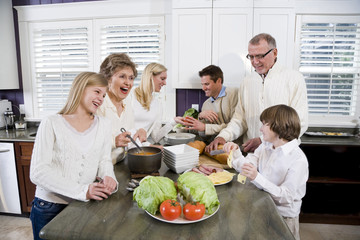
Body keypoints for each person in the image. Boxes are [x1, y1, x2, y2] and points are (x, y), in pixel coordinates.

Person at [30, 72, 118, 240]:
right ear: (80, 89)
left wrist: (108, 176)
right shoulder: (51, 122)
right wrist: (83, 190)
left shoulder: (104, 125)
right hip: (49, 207)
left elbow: (104, 160)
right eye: (97, 92)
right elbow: (38, 172)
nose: (101, 98)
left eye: (104, 95)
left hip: (84, 205)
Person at [206, 33, 308, 153]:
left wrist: (262, 140)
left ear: (274, 53)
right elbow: (240, 119)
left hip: (282, 155)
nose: (255, 62)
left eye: (260, 56)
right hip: (252, 154)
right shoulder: (247, 81)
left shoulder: (294, 79)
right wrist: (223, 136)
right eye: (251, 56)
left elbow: (299, 123)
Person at [223, 104, 308, 240]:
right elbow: (248, 166)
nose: (260, 129)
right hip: (262, 208)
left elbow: (286, 197)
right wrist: (236, 153)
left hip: (284, 217)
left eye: (264, 124)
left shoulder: (298, 159)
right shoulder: (265, 146)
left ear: (279, 126)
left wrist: (257, 177)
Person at [97, 53, 148, 164]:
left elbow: (128, 134)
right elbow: (86, 142)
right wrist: (114, 141)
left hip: (119, 163)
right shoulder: (97, 104)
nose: (128, 83)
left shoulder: (127, 102)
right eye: (122, 76)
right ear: (107, 78)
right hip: (97, 170)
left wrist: (138, 133)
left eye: (131, 78)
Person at [127, 62, 184, 144]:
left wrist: (173, 121)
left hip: (141, 149)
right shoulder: (130, 96)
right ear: (150, 77)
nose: (165, 83)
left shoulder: (157, 104)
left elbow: (156, 137)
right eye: (162, 78)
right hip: (125, 148)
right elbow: (120, 127)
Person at [181, 65, 239, 143]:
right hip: (216, 148)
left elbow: (235, 126)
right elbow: (205, 138)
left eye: (207, 84)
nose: (203, 88)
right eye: (202, 84)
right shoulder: (206, 104)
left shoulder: (234, 94)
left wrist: (206, 127)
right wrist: (201, 118)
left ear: (218, 81)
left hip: (235, 147)